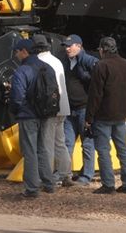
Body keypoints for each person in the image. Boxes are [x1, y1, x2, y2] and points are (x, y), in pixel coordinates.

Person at [85, 36, 126, 194]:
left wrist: (88, 118)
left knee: (103, 150)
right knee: (122, 148)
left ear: (102, 49)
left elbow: (95, 95)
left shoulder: (101, 65)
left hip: (104, 114)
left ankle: (108, 184)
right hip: (121, 113)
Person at [9, 38, 55, 198]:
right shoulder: (48, 68)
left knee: (29, 151)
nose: (16, 55)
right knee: (43, 148)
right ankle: (48, 183)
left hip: (28, 114)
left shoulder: (23, 70)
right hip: (46, 113)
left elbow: (17, 96)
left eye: (17, 52)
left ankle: (32, 188)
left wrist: (15, 110)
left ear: (24, 51)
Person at [32, 34, 73, 187]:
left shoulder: (40, 62)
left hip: (50, 108)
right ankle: (65, 173)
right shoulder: (56, 60)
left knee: (46, 144)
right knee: (60, 143)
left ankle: (46, 177)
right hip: (63, 106)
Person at [60, 34, 98, 186]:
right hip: (69, 109)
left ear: (79, 46)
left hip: (84, 108)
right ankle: (65, 174)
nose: (67, 48)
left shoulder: (87, 60)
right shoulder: (64, 62)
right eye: (66, 46)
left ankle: (87, 175)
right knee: (67, 143)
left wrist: (88, 77)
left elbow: (98, 69)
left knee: (87, 143)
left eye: (70, 45)